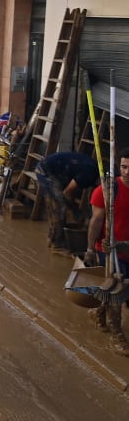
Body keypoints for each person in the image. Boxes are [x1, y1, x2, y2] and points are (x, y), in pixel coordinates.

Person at [84, 149, 129, 348]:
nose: (127, 172)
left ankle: (98, 312)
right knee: (116, 291)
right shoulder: (108, 191)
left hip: (126, 248)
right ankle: (117, 335)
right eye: (124, 167)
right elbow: (96, 221)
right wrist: (90, 249)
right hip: (109, 250)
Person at [36, 151, 100, 249]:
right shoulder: (88, 175)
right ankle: (56, 244)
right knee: (59, 208)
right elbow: (67, 192)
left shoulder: (94, 171)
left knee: (64, 206)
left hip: (59, 171)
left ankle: (56, 238)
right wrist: (75, 211)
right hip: (46, 170)